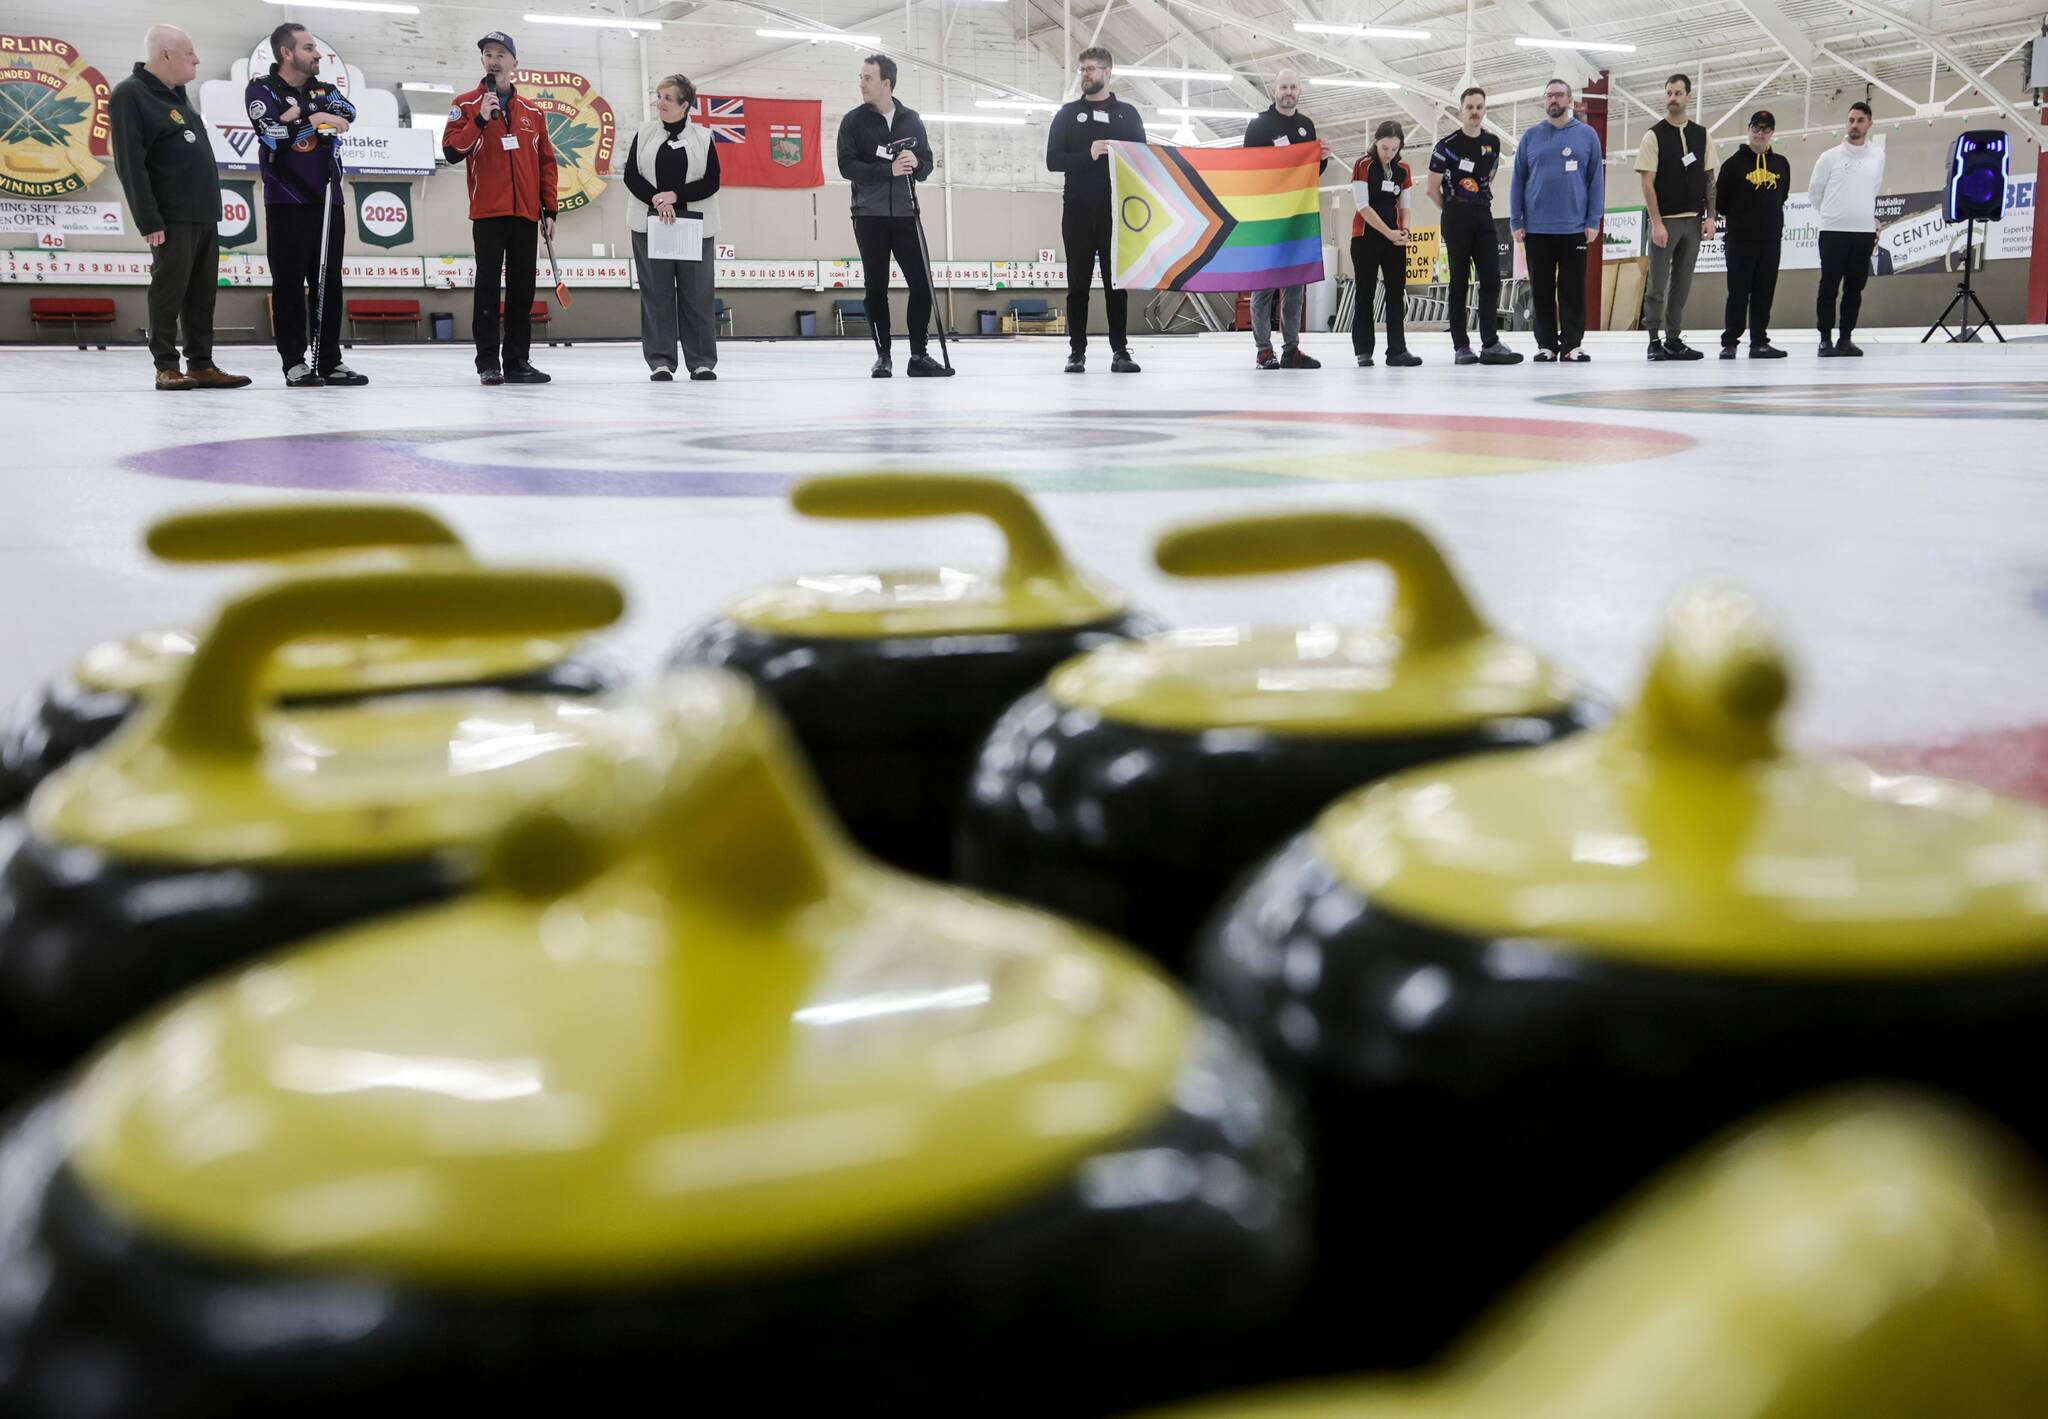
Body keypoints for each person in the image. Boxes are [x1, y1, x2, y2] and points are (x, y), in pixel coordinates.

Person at [109, 25, 251, 391]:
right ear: (165, 55)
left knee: (203, 294)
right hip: (170, 216)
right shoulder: (131, 94)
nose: (197, 59)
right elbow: (129, 162)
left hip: (203, 213)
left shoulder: (177, 96)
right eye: (189, 52)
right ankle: (166, 365)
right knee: (169, 290)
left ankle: (201, 363)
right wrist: (148, 218)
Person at [248, 22, 367, 388]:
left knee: (328, 282)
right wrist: (316, 117)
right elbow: (272, 136)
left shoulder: (324, 88)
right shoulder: (261, 89)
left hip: (327, 199)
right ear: (287, 53)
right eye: (309, 48)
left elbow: (349, 112)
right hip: (286, 200)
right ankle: (295, 363)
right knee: (288, 283)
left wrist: (303, 112)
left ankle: (329, 360)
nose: (317, 55)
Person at [443, 31, 556, 385]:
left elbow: (546, 163)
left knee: (523, 291)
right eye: (488, 54)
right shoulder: (464, 104)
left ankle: (518, 361)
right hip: (488, 213)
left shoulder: (533, 112)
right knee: (488, 290)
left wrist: (549, 210)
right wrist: (478, 119)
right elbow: (450, 152)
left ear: (514, 63)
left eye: (501, 54)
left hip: (525, 214)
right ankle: (488, 363)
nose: (493, 60)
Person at [835, 54, 949, 377]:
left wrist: (917, 163)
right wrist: (888, 170)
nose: (862, 84)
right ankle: (883, 355)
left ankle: (918, 355)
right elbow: (847, 166)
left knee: (922, 285)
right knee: (876, 288)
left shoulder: (911, 119)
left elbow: (927, 164)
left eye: (867, 78)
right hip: (868, 216)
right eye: (861, 77)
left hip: (905, 213)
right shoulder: (853, 122)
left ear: (886, 83)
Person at [1046, 46, 1144, 374]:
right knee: (1078, 286)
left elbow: (1143, 160)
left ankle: (1121, 350)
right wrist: (1086, 155)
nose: (1085, 74)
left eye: (1091, 68)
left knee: (1117, 285)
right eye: (1082, 68)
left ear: (1107, 72)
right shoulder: (1066, 115)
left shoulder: (1127, 114)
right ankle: (1076, 352)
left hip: (1115, 211)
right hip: (1076, 211)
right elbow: (1053, 160)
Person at [625, 73, 720, 382]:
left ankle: (701, 361)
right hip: (651, 226)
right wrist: (658, 200)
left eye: (667, 98)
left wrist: (676, 196)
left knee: (697, 295)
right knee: (657, 295)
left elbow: (711, 181)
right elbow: (631, 176)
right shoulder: (645, 133)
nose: (659, 103)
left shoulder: (703, 138)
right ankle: (661, 361)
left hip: (692, 227)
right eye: (658, 96)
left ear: (684, 104)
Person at [1510, 77, 1604, 363]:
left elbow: (1595, 181)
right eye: (1549, 96)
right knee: (1541, 289)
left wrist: (1593, 219)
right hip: (1537, 228)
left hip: (1574, 227)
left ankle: (1572, 344)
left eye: (1559, 95)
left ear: (1570, 100)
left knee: (1573, 289)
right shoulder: (1530, 137)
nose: (1553, 100)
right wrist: (1516, 220)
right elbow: (1518, 180)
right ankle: (1546, 345)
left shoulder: (1587, 136)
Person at [1425, 85, 1521, 365]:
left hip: (1483, 214)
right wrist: (1453, 211)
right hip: (1455, 215)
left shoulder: (1492, 143)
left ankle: (1490, 342)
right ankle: (1461, 346)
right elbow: (1432, 189)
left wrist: (1475, 202)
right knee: (1458, 282)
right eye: (1470, 107)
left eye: (1479, 107)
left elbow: (1488, 178)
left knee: (1491, 278)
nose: (1475, 112)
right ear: (1461, 111)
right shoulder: (1446, 146)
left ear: (1485, 110)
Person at [1242, 68, 1326, 369]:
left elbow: (1310, 174)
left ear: (1299, 91)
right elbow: (1247, 170)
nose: (1288, 92)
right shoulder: (1259, 126)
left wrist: (1321, 159)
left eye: (1293, 87)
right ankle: (1264, 350)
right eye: (1283, 87)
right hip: (1266, 216)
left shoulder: (1306, 126)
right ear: (1274, 91)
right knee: (1263, 285)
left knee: (1295, 286)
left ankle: (1292, 349)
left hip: (1298, 216)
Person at [1635, 73, 1716, 361]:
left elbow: (1709, 179)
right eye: (1669, 93)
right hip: (1664, 222)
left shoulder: (1702, 135)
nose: (1673, 98)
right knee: (1657, 284)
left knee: (1682, 284)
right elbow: (1647, 183)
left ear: (1688, 96)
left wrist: (1710, 217)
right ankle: (1653, 338)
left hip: (1693, 221)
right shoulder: (1653, 136)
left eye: (1678, 93)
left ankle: (1673, 338)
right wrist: (1656, 223)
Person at [1715, 110, 1792, 359]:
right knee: (1738, 292)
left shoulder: (1781, 164)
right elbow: (1721, 202)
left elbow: (1782, 196)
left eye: (1765, 129)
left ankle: (1759, 341)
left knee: (1764, 291)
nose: (1760, 133)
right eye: (1756, 128)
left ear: (1772, 133)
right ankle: (1730, 342)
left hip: (1770, 240)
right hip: (1740, 240)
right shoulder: (1732, 165)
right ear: (1749, 130)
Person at [1809, 101, 1883, 357]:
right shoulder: (1829, 157)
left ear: (1869, 123)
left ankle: (1845, 338)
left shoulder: (1878, 156)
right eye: (1851, 120)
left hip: (1863, 233)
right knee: (1829, 286)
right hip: (1833, 232)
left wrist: (1861, 217)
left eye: (1860, 120)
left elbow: (1874, 188)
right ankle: (1825, 339)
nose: (1854, 125)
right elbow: (1814, 192)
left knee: (1855, 288)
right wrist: (1832, 216)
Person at [1349, 120, 1420, 368]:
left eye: (1394, 149)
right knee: (1365, 293)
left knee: (1395, 294)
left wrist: (1404, 231)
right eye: (1385, 148)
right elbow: (1363, 206)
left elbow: (1406, 205)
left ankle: (1397, 351)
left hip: (1395, 240)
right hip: (1366, 237)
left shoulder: (1403, 169)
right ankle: (1364, 350)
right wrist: (1388, 233)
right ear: (1376, 143)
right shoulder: (1363, 165)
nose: (1389, 153)